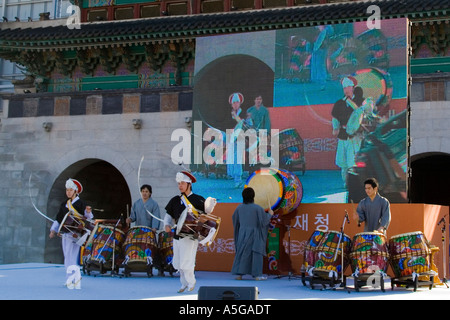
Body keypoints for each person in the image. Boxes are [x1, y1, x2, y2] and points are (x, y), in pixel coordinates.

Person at [164, 171, 216, 293]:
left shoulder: (198, 199)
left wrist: (210, 205)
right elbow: (168, 215)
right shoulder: (175, 200)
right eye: (178, 183)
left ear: (189, 184)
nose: (180, 186)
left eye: (182, 183)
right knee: (177, 262)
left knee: (187, 260)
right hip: (177, 234)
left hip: (190, 235)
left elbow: (207, 214)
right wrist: (167, 224)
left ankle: (191, 282)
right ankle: (183, 283)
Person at [49, 178, 93, 285]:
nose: (68, 192)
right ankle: (71, 277)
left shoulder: (81, 203)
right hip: (65, 233)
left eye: (70, 190)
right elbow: (59, 218)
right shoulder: (64, 203)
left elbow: (88, 218)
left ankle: (73, 278)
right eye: (67, 190)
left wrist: (88, 212)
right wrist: (53, 230)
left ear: (75, 191)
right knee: (67, 255)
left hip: (76, 233)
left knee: (72, 255)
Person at [231, 187, 273, 280]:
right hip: (255, 233)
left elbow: (235, 220)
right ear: (253, 196)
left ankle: (239, 274)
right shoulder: (258, 208)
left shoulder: (239, 208)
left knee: (242, 253)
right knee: (256, 253)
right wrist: (270, 214)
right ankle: (257, 275)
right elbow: (263, 222)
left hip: (242, 233)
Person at [331, 76, 365, 187]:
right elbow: (335, 117)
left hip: (355, 136)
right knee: (343, 162)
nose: (346, 90)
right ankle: (346, 183)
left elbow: (363, 115)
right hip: (342, 135)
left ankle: (354, 185)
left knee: (353, 162)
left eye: (348, 87)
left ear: (352, 87)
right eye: (344, 88)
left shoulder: (360, 101)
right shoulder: (339, 103)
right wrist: (335, 127)